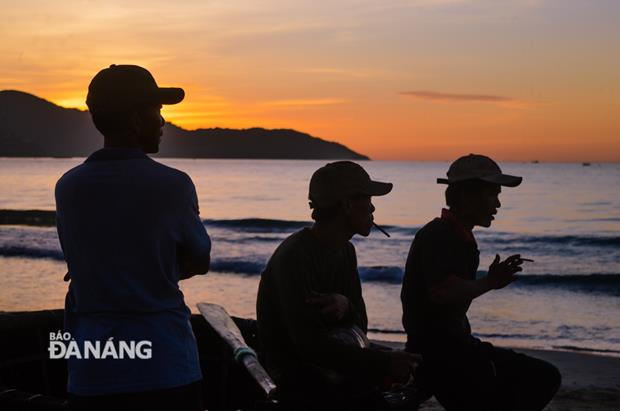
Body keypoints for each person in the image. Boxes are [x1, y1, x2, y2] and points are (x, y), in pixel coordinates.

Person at [55, 65, 211, 410]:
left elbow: (80, 260)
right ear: (137, 120)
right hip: (164, 365)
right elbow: (200, 260)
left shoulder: (69, 186)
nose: (163, 121)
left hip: (92, 368)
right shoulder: (173, 185)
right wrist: (158, 267)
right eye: (157, 111)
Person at [256, 161, 422, 411]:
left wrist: (346, 307)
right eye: (367, 198)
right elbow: (309, 346)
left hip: (335, 371)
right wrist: (383, 362)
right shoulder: (295, 257)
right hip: (299, 381)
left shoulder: (346, 251)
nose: (373, 206)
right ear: (346, 205)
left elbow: (360, 324)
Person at [400, 154, 561, 410]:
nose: (497, 204)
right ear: (466, 195)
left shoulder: (456, 236)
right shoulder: (441, 234)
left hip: (454, 348)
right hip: (442, 355)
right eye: (492, 195)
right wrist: (490, 282)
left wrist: (489, 282)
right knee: (542, 377)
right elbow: (442, 292)